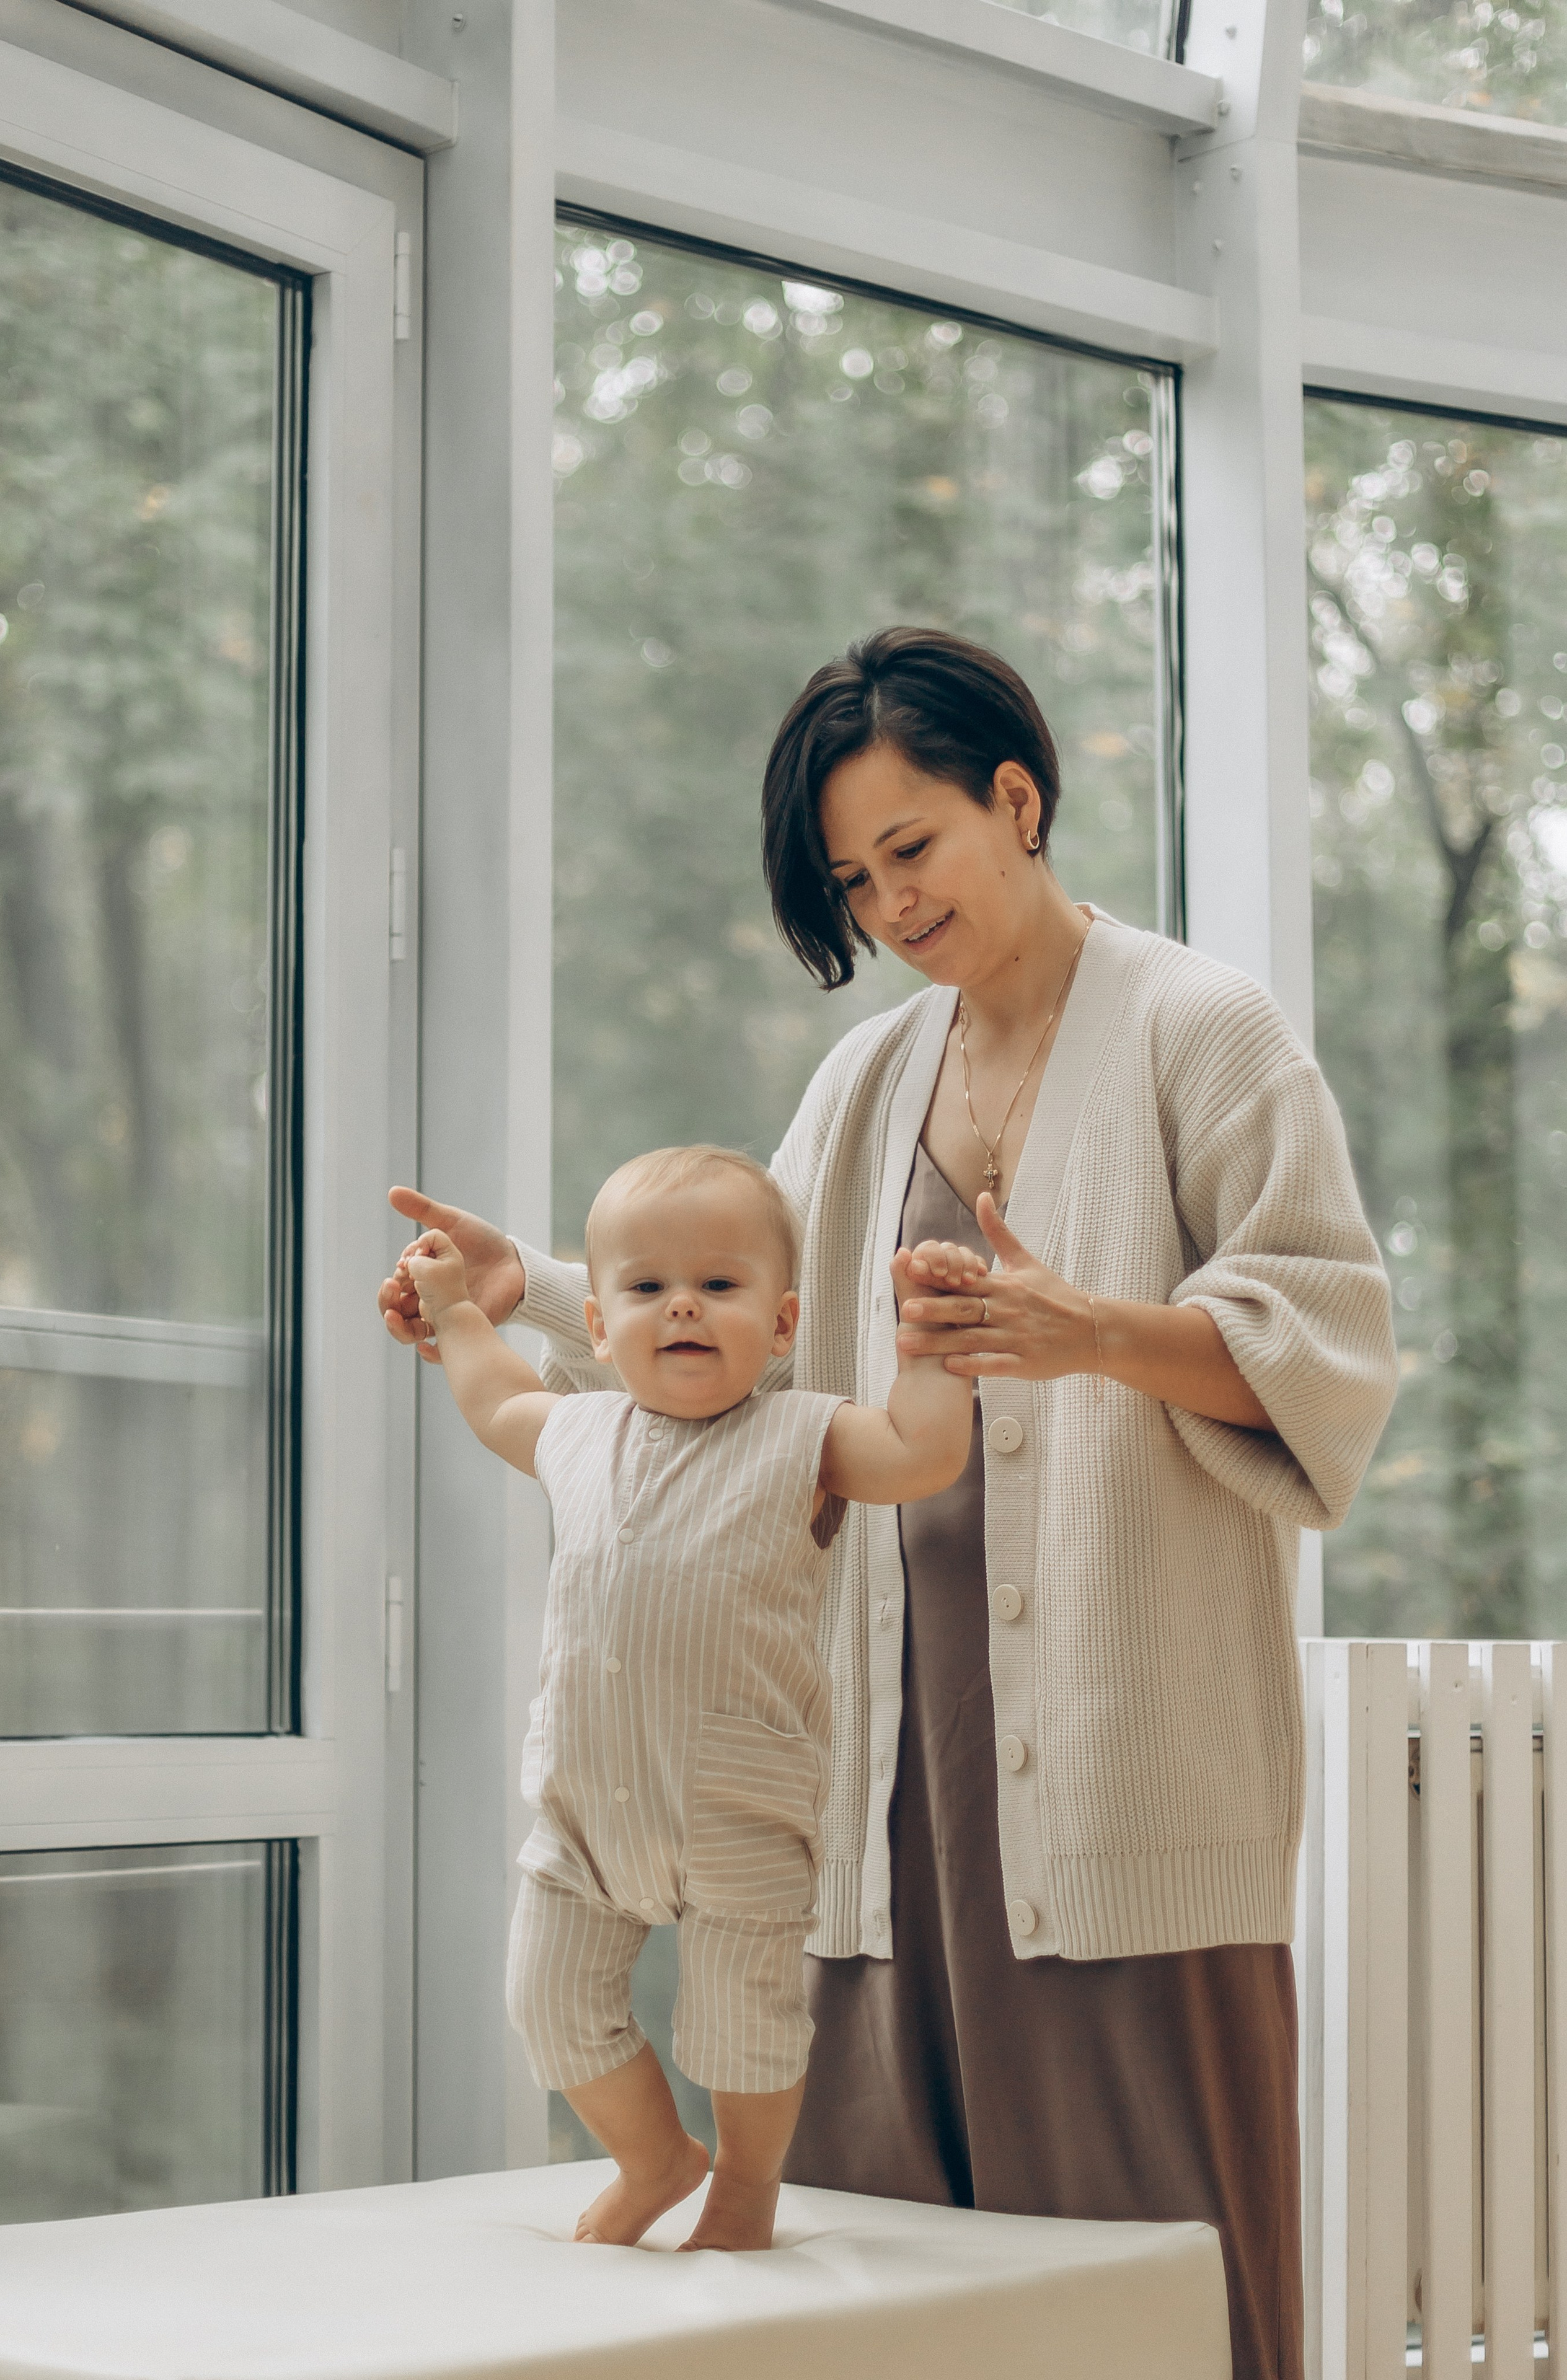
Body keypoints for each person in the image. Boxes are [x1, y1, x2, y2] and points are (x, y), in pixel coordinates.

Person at [381, 628, 1398, 2376]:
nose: (888, 904)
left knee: (1151, 2267)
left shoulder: (1202, 1027)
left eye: (910, 850)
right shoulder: (865, 1079)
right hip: (869, 1754)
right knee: (881, 2291)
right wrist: (528, 1288)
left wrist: (1094, 1331)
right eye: (853, 879)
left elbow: (1329, 1348)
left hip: (1116, 1740)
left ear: (1019, 797)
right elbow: (734, 1337)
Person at [392, 1142, 977, 2252]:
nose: (684, 1311)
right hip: (583, 1807)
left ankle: (747, 2191)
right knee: (550, 2004)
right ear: (600, 1330)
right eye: (648, 1289)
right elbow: (494, 1400)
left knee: (743, 2027)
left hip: (738, 1807)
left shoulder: (806, 1436)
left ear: (785, 1322)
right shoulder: (579, 1432)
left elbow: (920, 1455)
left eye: (720, 1286)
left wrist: (934, 1349)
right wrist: (457, 1313)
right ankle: (656, 2159)